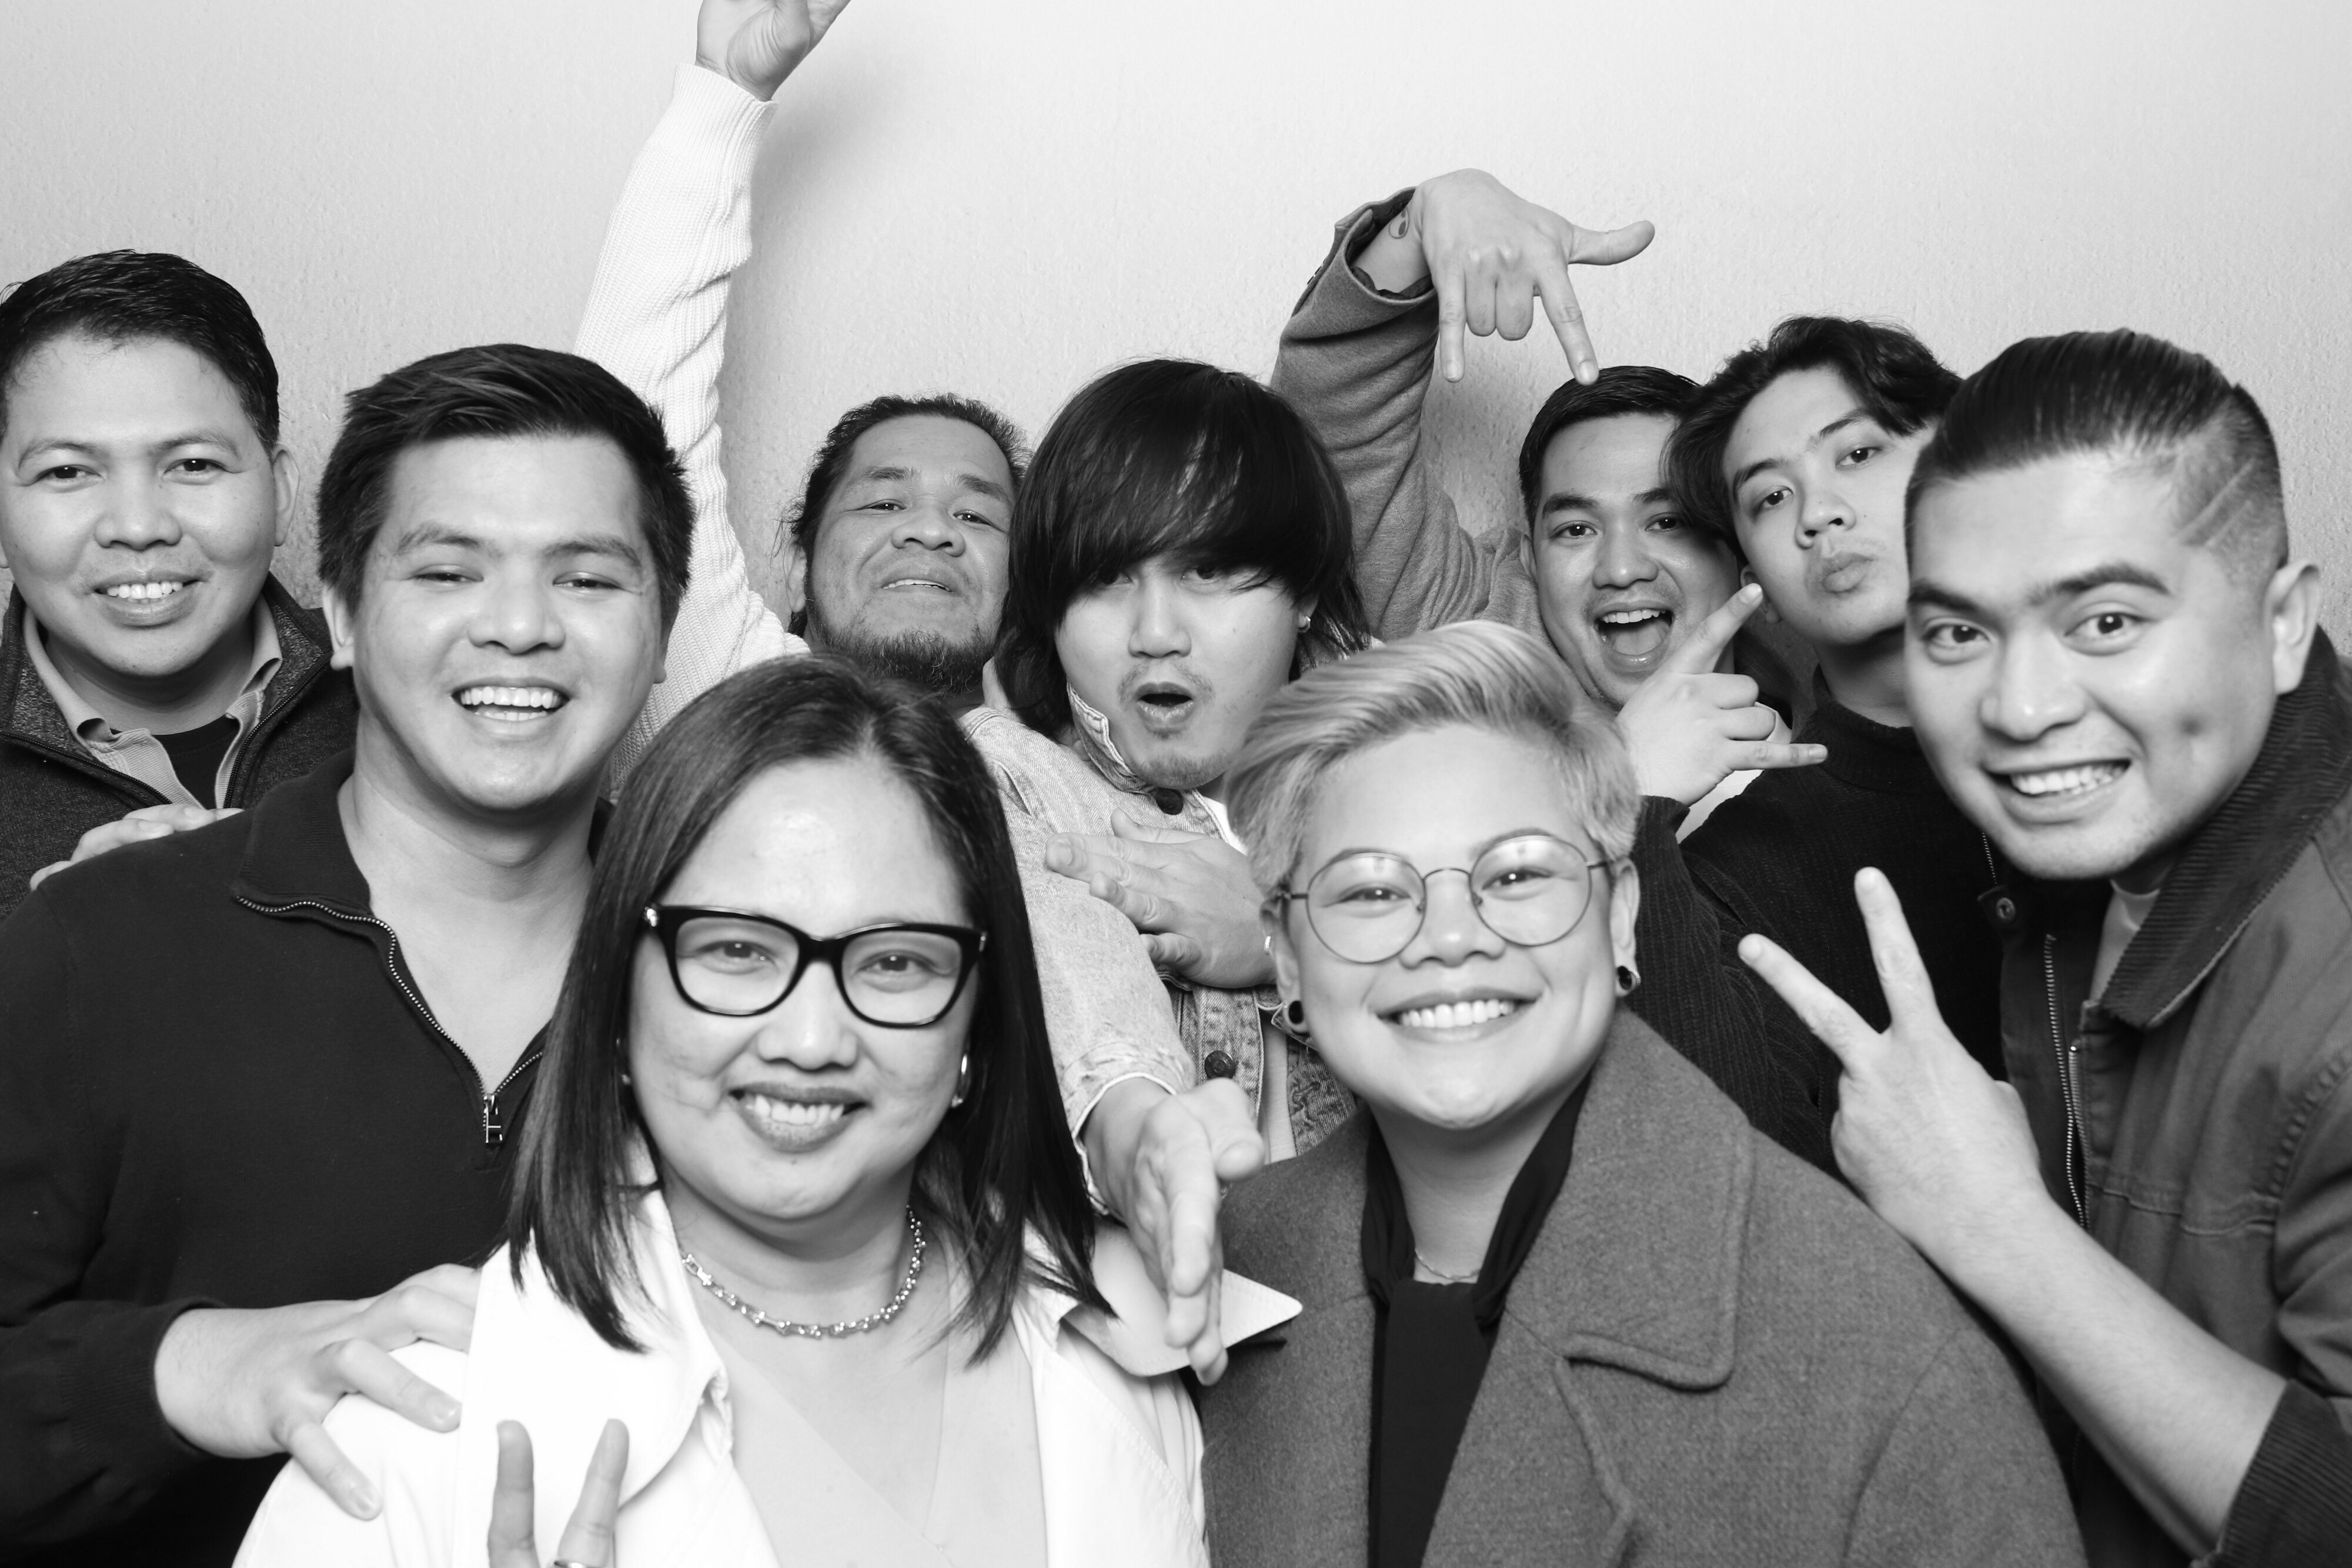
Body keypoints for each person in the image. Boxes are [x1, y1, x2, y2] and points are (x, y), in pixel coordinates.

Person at [235, 656, 1279, 1567]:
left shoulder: (1129, 1340)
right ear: (617, 990)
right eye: (736, 950)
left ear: (976, 1016)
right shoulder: (422, 1432)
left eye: (896, 961)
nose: (813, 1037)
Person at [0, 343, 696, 1566]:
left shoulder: (747, 977)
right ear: (341, 610)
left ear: (663, 621)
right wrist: (189, 1365)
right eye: (447, 570)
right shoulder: (97, 939)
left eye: (586, 576)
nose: (519, 626)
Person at [1200, 620, 2083, 1567]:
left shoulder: (1867, 1335)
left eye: (1518, 873)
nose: (1450, 937)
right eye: (1372, 892)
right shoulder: (1227, 1265)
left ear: (1621, 914)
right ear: (1287, 955)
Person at [1745, 329, 2352, 1567]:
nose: (2020, 709)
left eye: (2106, 620)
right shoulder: (2077, 869)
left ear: (2284, 624)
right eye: (1956, 635)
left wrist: (1992, 1223)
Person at [1269, 168, 1821, 837]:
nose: (1622, 568)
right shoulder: (1490, 630)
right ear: (1529, 559)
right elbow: (1332, 440)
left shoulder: (1824, 650)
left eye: (1667, 520)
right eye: (1576, 529)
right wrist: (1423, 225)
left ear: (1742, 548)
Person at [574, 0, 1027, 719]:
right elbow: (631, 424)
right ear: (795, 565)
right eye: (884, 502)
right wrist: (721, 98)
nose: (931, 529)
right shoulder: (719, 696)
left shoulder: (1075, 770)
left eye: (976, 515)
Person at [1626, 316, 2005, 1167]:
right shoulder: (1739, 865)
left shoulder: (2113, 719)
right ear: (1752, 576)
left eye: (1857, 454)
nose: (1819, 514)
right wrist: (1629, 807)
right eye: (1770, 497)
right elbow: (1728, 1170)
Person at [0, 250, 355, 915]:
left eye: (193, 464)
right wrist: (49, 948)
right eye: (67, 472)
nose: (138, 527)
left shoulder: (414, 702)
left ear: (281, 493)